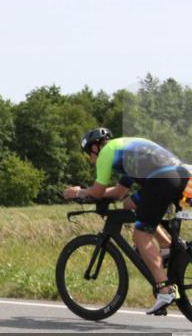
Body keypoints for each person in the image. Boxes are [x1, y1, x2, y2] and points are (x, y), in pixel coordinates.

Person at [63, 128, 190, 315]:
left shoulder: (107, 152)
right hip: (179, 176)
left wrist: (77, 192)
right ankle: (165, 245)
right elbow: (120, 193)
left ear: (95, 147)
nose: (91, 160)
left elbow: (97, 192)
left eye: (89, 154)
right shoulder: (126, 152)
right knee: (130, 204)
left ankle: (165, 290)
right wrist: (89, 192)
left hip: (161, 180)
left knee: (141, 236)